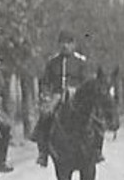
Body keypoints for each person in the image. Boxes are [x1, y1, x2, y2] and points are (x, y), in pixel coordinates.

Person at [33, 30, 102, 166]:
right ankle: (43, 152)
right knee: (45, 117)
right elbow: (45, 82)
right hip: (57, 95)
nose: (65, 46)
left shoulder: (80, 62)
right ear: (59, 44)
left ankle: (97, 150)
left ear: (74, 44)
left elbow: (87, 82)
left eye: (69, 43)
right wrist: (46, 95)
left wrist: (75, 89)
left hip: (77, 96)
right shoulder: (52, 62)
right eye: (62, 42)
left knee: (96, 119)